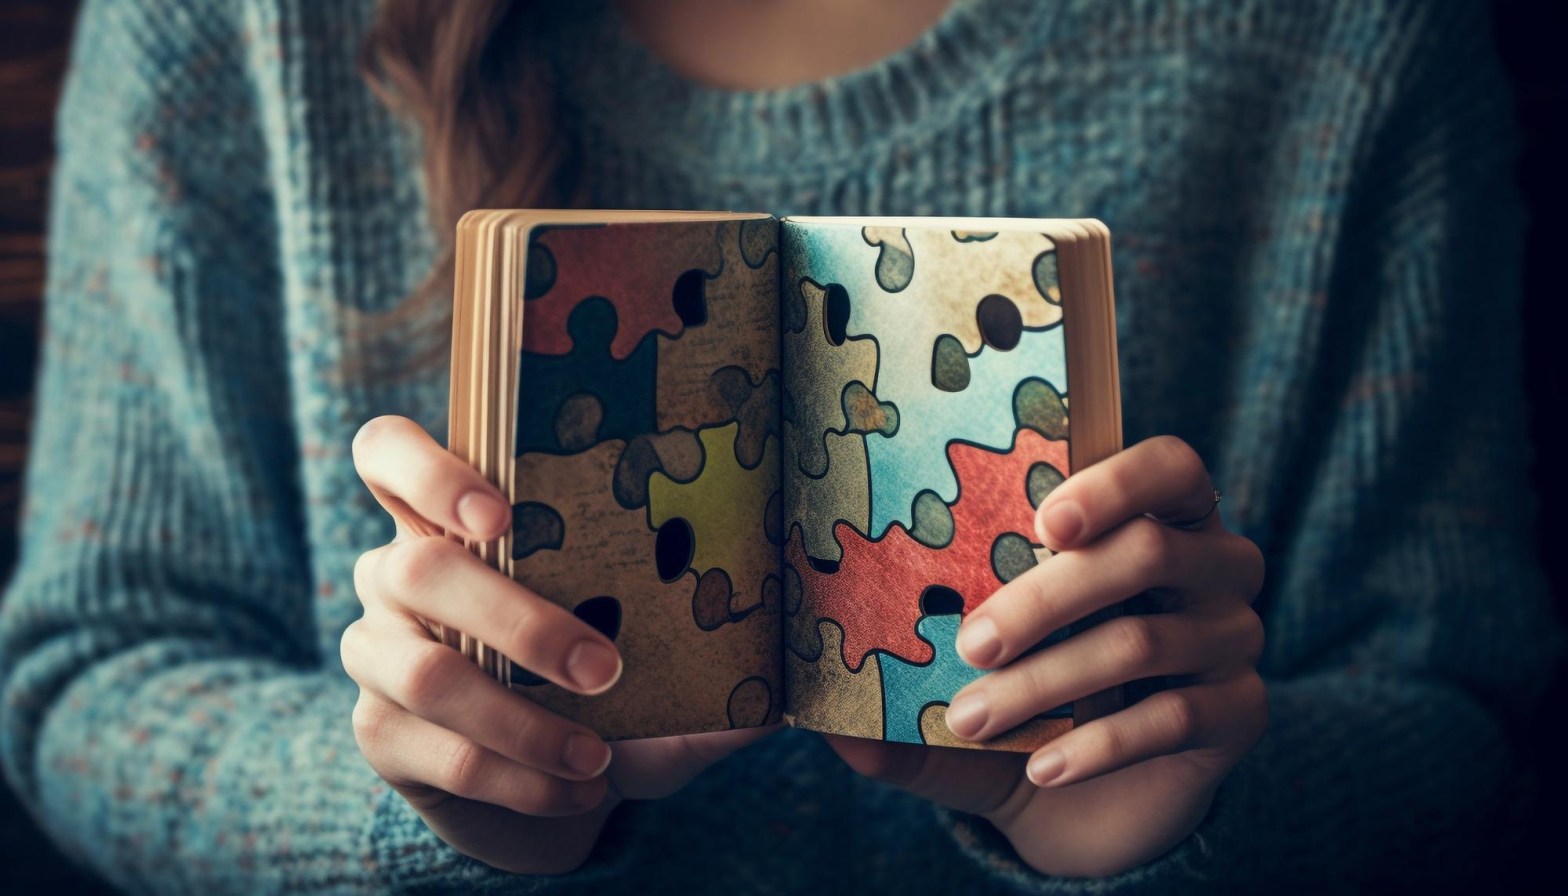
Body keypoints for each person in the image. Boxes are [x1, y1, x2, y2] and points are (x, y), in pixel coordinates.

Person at [0, 0, 1556, 891]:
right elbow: (93, 671)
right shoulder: (244, 31)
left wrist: (1184, 809)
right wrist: (413, 801)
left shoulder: (1339, 48)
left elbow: (1474, 724)